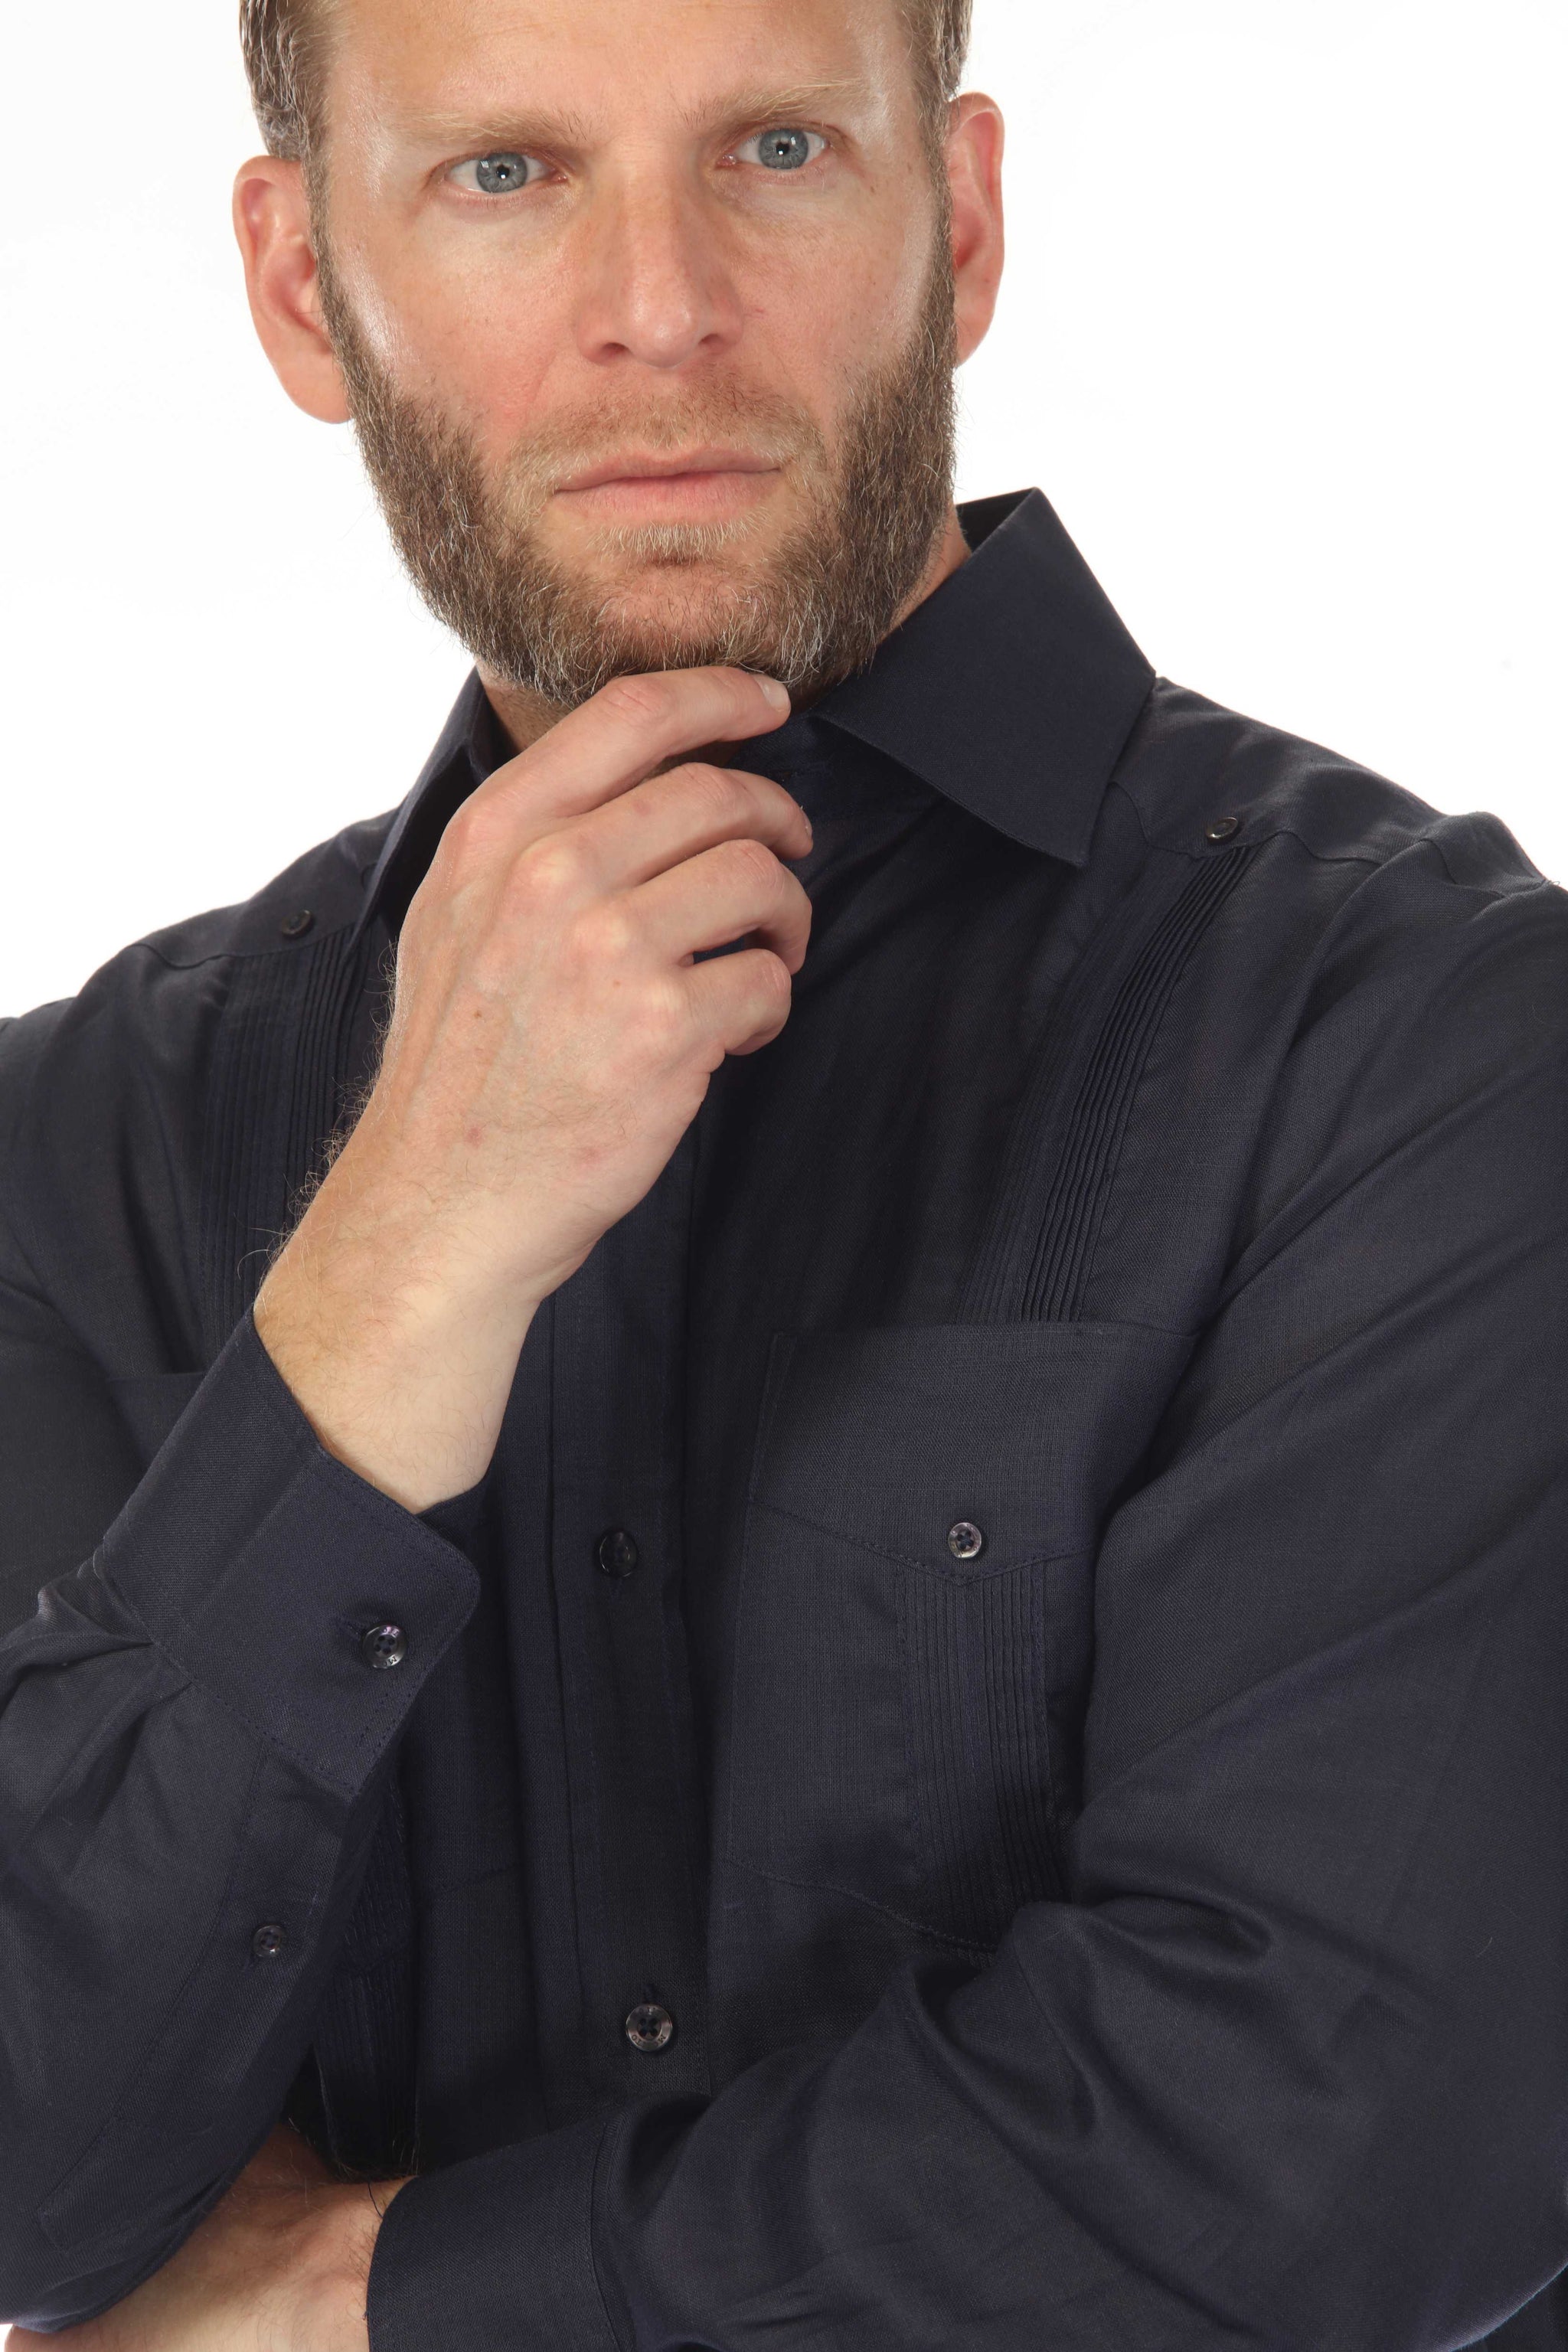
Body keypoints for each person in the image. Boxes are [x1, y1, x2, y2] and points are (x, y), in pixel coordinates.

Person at [2, 0, 1566, 2343]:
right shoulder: (74, 1148)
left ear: (962, 215)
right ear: (306, 284)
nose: (662, 303)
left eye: (775, 149)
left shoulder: (1422, 1036)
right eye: (506, 173)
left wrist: (343, 2302)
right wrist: (396, 1275)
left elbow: (1337, 2141)